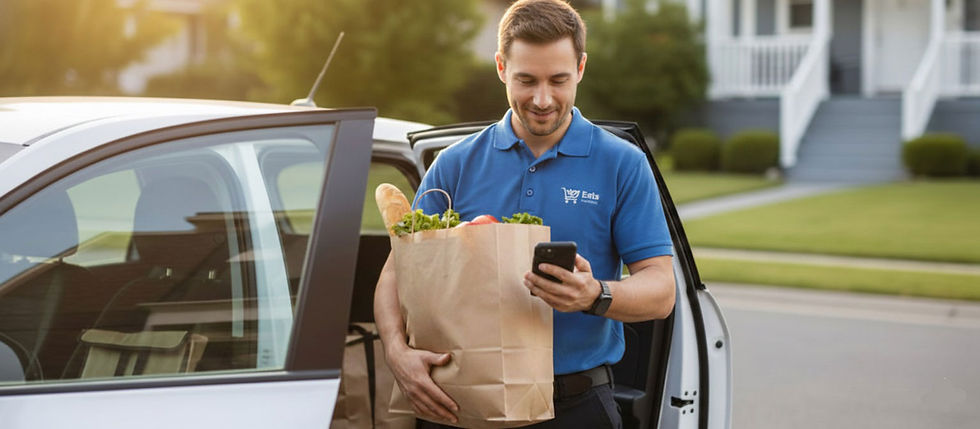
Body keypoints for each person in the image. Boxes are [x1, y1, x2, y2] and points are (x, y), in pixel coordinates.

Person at [373, 0, 675, 427]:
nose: (542, 98)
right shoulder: (454, 165)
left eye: (558, 80)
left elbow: (661, 290)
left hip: (576, 404)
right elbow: (394, 274)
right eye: (526, 79)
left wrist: (595, 296)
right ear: (501, 66)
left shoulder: (622, 164)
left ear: (582, 68)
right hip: (460, 401)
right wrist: (396, 353)